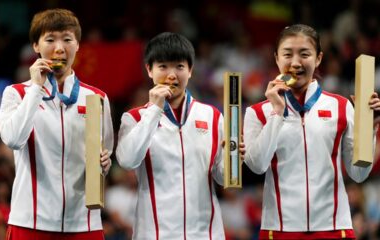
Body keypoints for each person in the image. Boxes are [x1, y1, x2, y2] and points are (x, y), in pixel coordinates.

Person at [243, 23, 380, 240]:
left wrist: (369, 130)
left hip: (335, 228)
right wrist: (277, 113)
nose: (295, 62)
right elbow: (258, 166)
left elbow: (359, 174)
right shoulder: (257, 112)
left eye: (304, 54)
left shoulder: (342, 106)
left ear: (318, 59)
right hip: (278, 230)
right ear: (277, 58)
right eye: (287, 54)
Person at [116, 32, 244, 239]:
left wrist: (235, 155)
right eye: (163, 66)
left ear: (191, 70)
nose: (172, 75)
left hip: (206, 234)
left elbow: (222, 178)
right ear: (149, 70)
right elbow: (127, 161)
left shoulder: (212, 116)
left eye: (179, 67)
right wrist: (154, 111)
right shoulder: (135, 117)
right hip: (155, 233)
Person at [0, 9, 114, 240]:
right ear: (35, 46)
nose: (59, 48)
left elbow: (106, 150)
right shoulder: (17, 93)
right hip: (30, 222)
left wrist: (105, 162)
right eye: (50, 39)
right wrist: (36, 88)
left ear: (78, 45)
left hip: (84, 225)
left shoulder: (97, 98)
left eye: (67, 39)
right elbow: (13, 139)